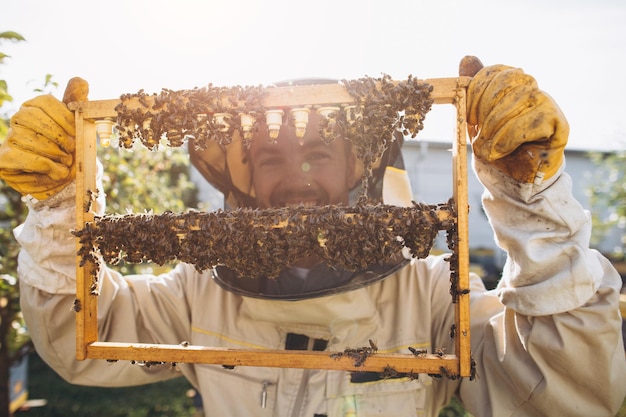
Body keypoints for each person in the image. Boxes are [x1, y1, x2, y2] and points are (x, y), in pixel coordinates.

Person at [1, 57, 625, 417]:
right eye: (269, 157)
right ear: (243, 181)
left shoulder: (436, 297)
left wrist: (530, 203)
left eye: (319, 151)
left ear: (362, 168)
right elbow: (78, 341)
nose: (295, 176)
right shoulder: (196, 296)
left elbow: (570, 393)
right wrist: (61, 206)